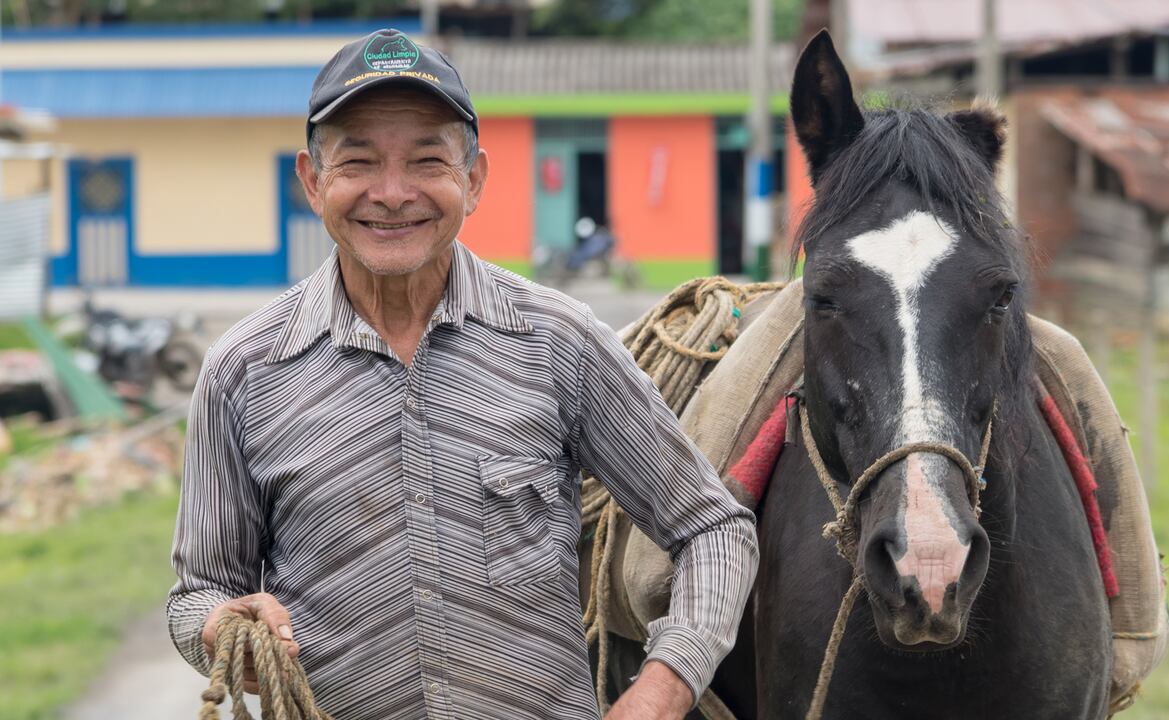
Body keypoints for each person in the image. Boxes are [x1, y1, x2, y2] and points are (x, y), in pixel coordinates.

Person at [166, 28, 758, 720]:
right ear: (312, 181)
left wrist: (663, 688)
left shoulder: (559, 342)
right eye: (358, 161)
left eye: (426, 161)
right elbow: (197, 594)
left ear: (472, 180)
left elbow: (714, 528)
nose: (391, 194)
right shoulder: (244, 372)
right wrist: (222, 627)